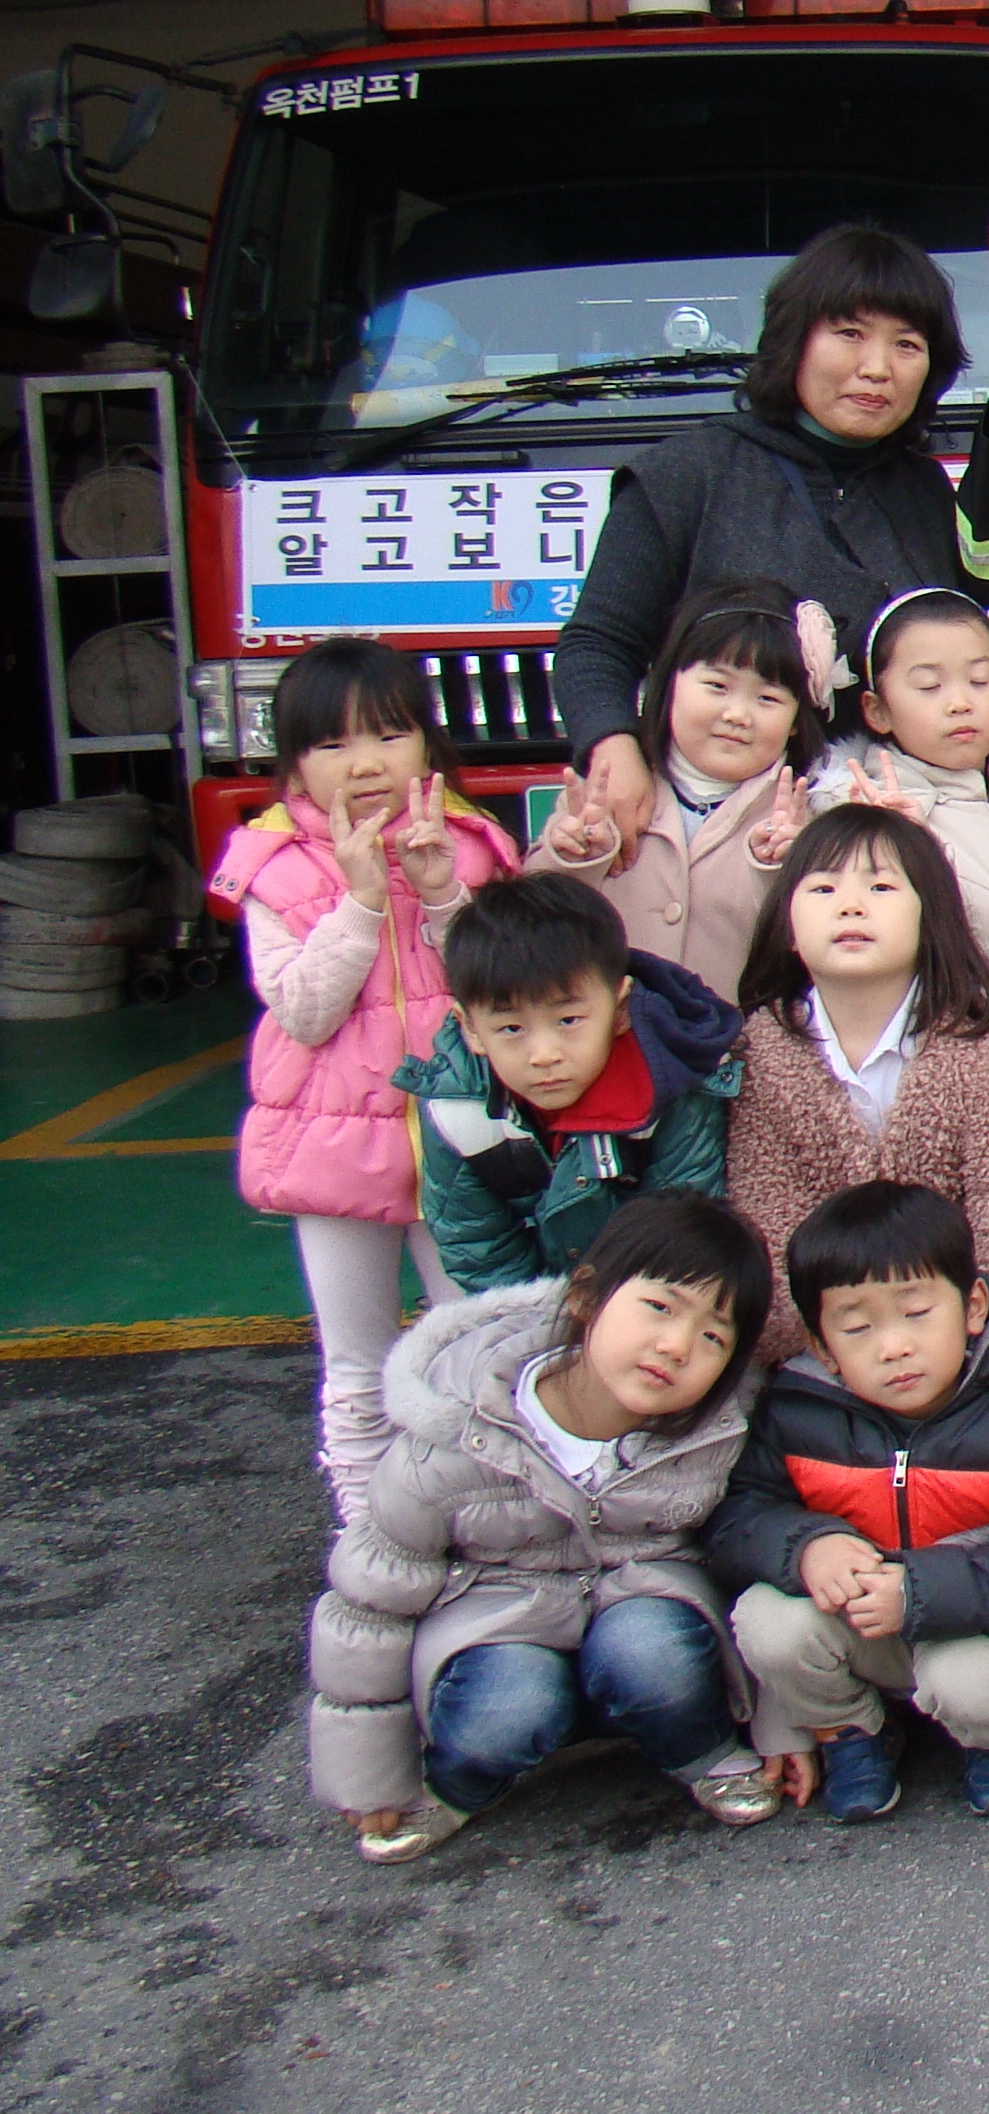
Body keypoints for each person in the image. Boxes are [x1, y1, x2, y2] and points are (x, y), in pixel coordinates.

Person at [553, 223, 989, 857]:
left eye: (907, 344)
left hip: (890, 839)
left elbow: (953, 643)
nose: (876, 368)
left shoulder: (923, 488)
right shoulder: (685, 476)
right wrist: (612, 745)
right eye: (849, 333)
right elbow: (597, 644)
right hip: (725, 836)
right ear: (793, 340)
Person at [306, 1194, 780, 1863]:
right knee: (508, 1707)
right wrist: (371, 1776)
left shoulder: (717, 1438)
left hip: (642, 1612)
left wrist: (783, 1728)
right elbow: (368, 1603)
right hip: (497, 1624)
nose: (676, 1346)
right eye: (660, 1307)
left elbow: (762, 1562)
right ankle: (458, 1783)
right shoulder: (460, 1431)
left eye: (713, 1337)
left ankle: (700, 1750)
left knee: (654, 1655)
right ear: (585, 1297)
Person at [209, 636, 521, 1521]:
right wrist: (359, 901)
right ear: (294, 764)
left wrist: (440, 894)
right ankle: (365, 1534)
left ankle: (482, 1527)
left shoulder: (471, 847)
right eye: (332, 743)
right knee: (356, 1366)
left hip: (463, 1142)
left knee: (474, 1348)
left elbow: (502, 992)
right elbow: (304, 1013)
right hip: (334, 1149)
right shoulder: (272, 866)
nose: (366, 763)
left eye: (389, 734)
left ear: (427, 741)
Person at [711, 1181, 989, 1823]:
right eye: (857, 1326)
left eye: (917, 1312)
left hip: (981, 1625)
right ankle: (850, 1730)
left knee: (978, 1685)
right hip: (856, 1622)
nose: (893, 1346)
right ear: (822, 1345)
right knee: (768, 1622)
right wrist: (806, 1546)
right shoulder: (796, 1413)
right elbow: (739, 1519)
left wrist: (920, 1591)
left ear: (972, 1306)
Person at [722, 807, 989, 1378]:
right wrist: (834, 1351)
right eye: (823, 888)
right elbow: (770, 1226)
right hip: (822, 1359)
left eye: (881, 887)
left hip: (961, 1348)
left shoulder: (982, 1054)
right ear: (787, 925)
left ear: (930, 917)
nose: (850, 905)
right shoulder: (761, 1054)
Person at [398, 874, 740, 1295]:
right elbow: (480, 1250)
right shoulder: (456, 1108)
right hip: (525, 1305)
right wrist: (538, 1324)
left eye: (568, 1020)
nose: (544, 1054)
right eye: (511, 1028)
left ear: (621, 1008)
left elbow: (678, 1235)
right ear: (470, 1028)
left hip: (647, 1299)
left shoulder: (675, 1091)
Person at [814, 588, 989, 1050]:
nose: (959, 702)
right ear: (877, 710)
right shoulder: (867, 818)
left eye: (978, 681)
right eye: (928, 687)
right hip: (976, 1063)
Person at [532, 580, 818, 995]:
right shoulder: (603, 794)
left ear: (796, 720)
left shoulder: (807, 813)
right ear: (668, 685)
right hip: (617, 1030)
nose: (737, 715)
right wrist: (572, 860)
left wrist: (786, 868)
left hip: (739, 1032)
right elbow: (528, 923)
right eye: (717, 686)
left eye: (768, 699)